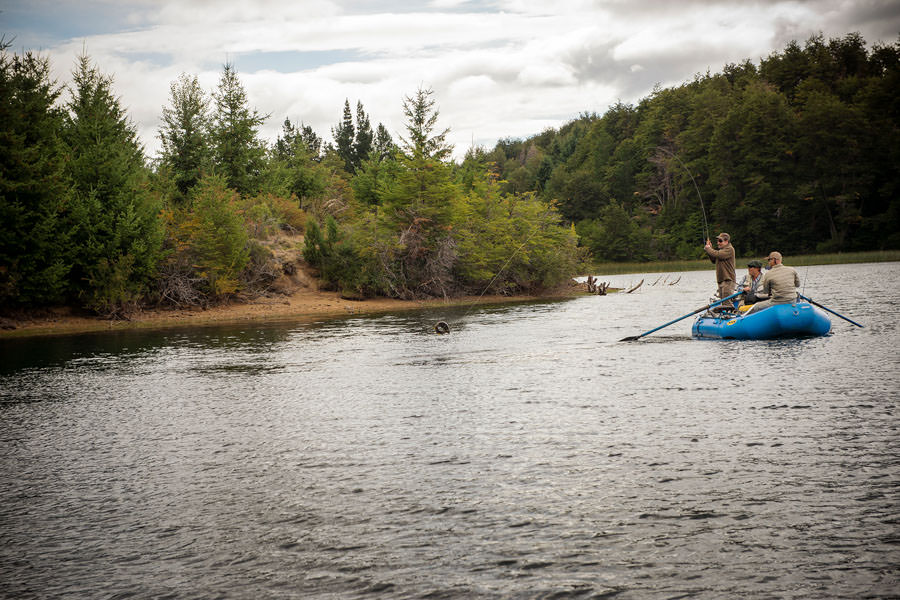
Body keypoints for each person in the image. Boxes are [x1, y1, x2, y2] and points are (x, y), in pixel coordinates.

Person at [703, 232, 736, 302]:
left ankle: (730, 312)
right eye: (717, 241)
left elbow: (717, 254)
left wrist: (708, 249)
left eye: (720, 241)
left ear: (726, 241)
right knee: (723, 302)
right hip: (721, 280)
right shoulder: (721, 251)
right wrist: (710, 249)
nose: (718, 243)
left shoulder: (730, 249)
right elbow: (713, 260)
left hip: (728, 280)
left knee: (727, 303)